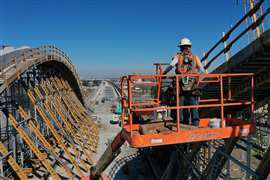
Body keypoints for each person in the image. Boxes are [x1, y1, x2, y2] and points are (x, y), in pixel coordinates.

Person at [163, 38, 205, 125]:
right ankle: (195, 123)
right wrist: (196, 77)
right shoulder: (195, 57)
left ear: (181, 47)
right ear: (190, 47)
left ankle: (181, 123)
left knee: (180, 105)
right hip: (192, 85)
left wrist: (163, 73)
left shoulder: (178, 57)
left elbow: (170, 66)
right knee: (193, 104)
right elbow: (202, 70)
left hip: (180, 85)